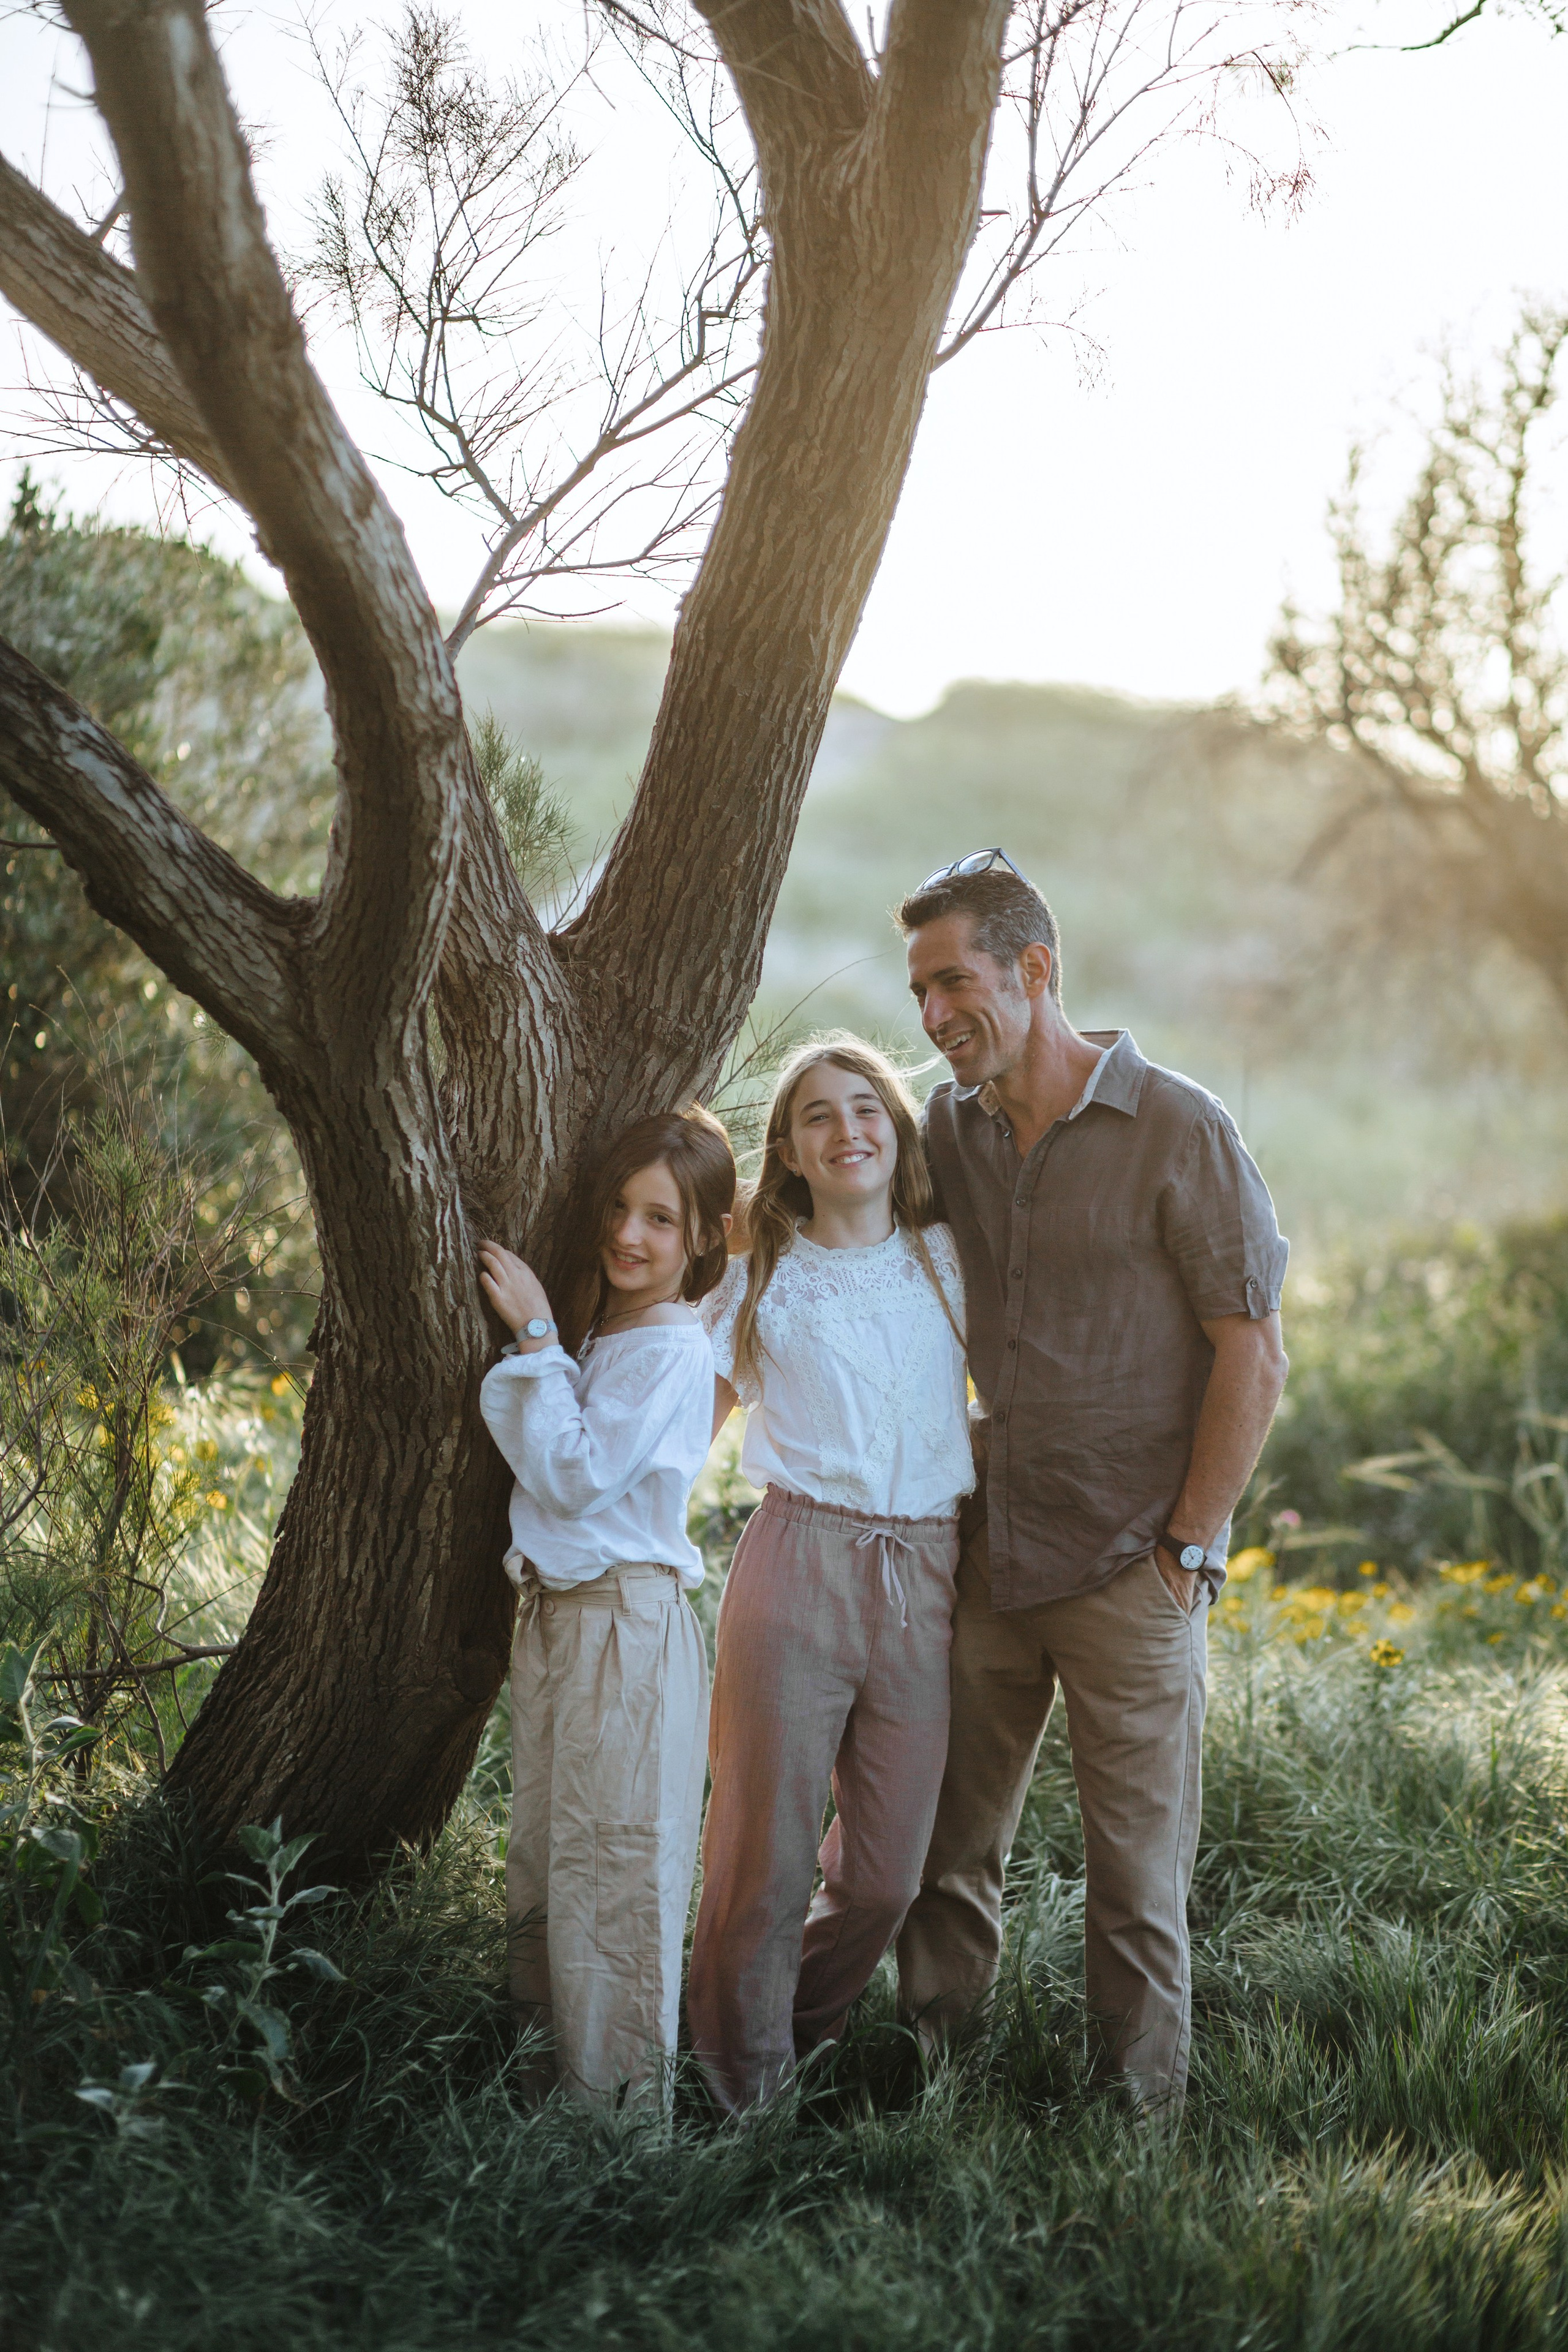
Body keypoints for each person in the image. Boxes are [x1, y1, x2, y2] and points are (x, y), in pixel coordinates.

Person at [893, 853, 1289, 2115]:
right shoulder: (943, 1127)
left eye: (953, 980)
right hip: (987, 1560)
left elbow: (1251, 1347)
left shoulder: (1179, 1126)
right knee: (945, 1859)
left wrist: (1184, 1546)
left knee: (1134, 1883)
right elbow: (821, 1206)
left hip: (1132, 1568)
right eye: (917, 992)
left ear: (1034, 970)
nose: (933, 1014)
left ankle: (1134, 2135)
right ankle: (932, 2089)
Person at [687, 1036, 974, 2114]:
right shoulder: (757, 1276)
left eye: (867, 1108)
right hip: (799, 1561)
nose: (847, 1129)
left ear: (897, 1133)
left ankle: (779, 2027)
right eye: (818, 1115)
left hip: (927, 1574)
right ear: (792, 1151)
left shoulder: (950, 1260)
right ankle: (740, 2096)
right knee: (762, 1857)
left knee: (886, 1875)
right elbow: (683, 1431)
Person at [477, 1104, 736, 2109]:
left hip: (625, 1629)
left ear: (704, 1236)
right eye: (622, 1208)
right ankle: (545, 2100)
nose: (630, 1234)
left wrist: (536, 1335)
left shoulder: (672, 1347)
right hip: (568, 1622)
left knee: (618, 1879)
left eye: (663, 1219)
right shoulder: (620, 1329)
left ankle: (618, 2140)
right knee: (551, 1864)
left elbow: (577, 1477)